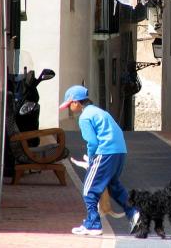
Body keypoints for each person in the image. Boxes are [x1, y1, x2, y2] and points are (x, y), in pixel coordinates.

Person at [59, 85, 140, 236]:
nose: (69, 108)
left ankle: (93, 224)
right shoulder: (99, 112)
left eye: (69, 105)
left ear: (76, 102)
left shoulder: (85, 117)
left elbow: (93, 143)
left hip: (105, 152)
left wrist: (91, 159)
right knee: (113, 185)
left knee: (89, 189)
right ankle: (134, 213)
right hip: (120, 151)